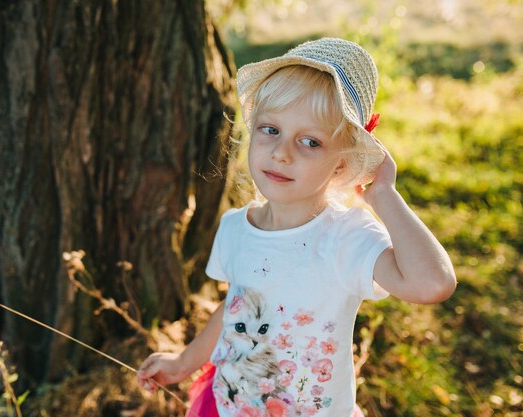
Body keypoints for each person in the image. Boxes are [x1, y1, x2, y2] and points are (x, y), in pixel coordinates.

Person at [137, 37, 457, 417]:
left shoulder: (346, 238)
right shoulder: (236, 228)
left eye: (310, 141)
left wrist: (383, 195)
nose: (281, 152)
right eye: (270, 130)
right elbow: (236, 306)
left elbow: (433, 284)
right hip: (230, 404)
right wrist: (184, 362)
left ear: (342, 164)